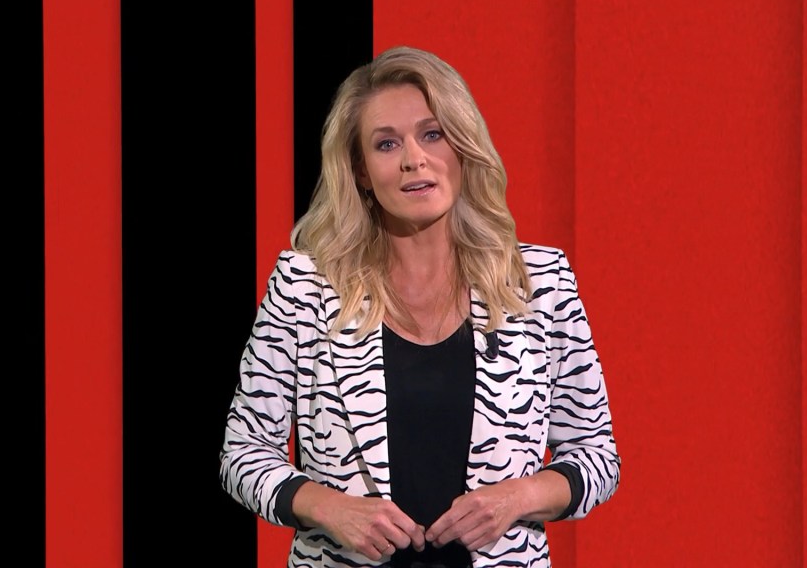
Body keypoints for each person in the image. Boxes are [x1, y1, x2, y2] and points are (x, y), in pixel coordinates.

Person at [219, 45, 620, 568]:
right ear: (361, 172)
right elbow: (243, 453)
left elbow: (596, 457)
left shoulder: (539, 282)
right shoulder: (305, 286)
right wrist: (330, 508)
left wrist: (517, 498)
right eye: (387, 144)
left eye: (432, 134)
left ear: (463, 145)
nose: (414, 158)